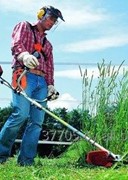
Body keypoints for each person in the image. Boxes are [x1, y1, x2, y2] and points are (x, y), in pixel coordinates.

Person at [0, 5, 65, 166]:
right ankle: (1, 155)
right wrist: (24, 55)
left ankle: (26, 161)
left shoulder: (48, 45)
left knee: (36, 122)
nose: (52, 22)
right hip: (23, 75)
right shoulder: (24, 26)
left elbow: (50, 66)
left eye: (55, 20)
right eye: (50, 18)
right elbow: (16, 44)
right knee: (20, 115)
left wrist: (50, 85)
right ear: (41, 15)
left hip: (41, 82)